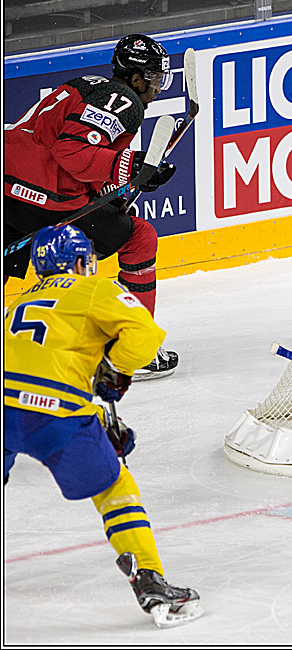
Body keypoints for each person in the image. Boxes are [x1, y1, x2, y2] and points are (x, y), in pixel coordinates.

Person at [4, 225, 203, 628]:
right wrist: (114, 371)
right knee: (115, 486)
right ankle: (148, 577)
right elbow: (145, 333)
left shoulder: (17, 302)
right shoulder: (93, 290)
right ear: (79, 262)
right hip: (55, 412)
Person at [4, 33, 179, 380]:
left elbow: (61, 143)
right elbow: (71, 151)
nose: (158, 88)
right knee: (140, 237)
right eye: (155, 79)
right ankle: (132, 351)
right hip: (48, 198)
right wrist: (132, 166)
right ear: (134, 78)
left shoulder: (85, 84)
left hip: (7, 185)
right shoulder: (124, 100)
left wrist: (113, 191)